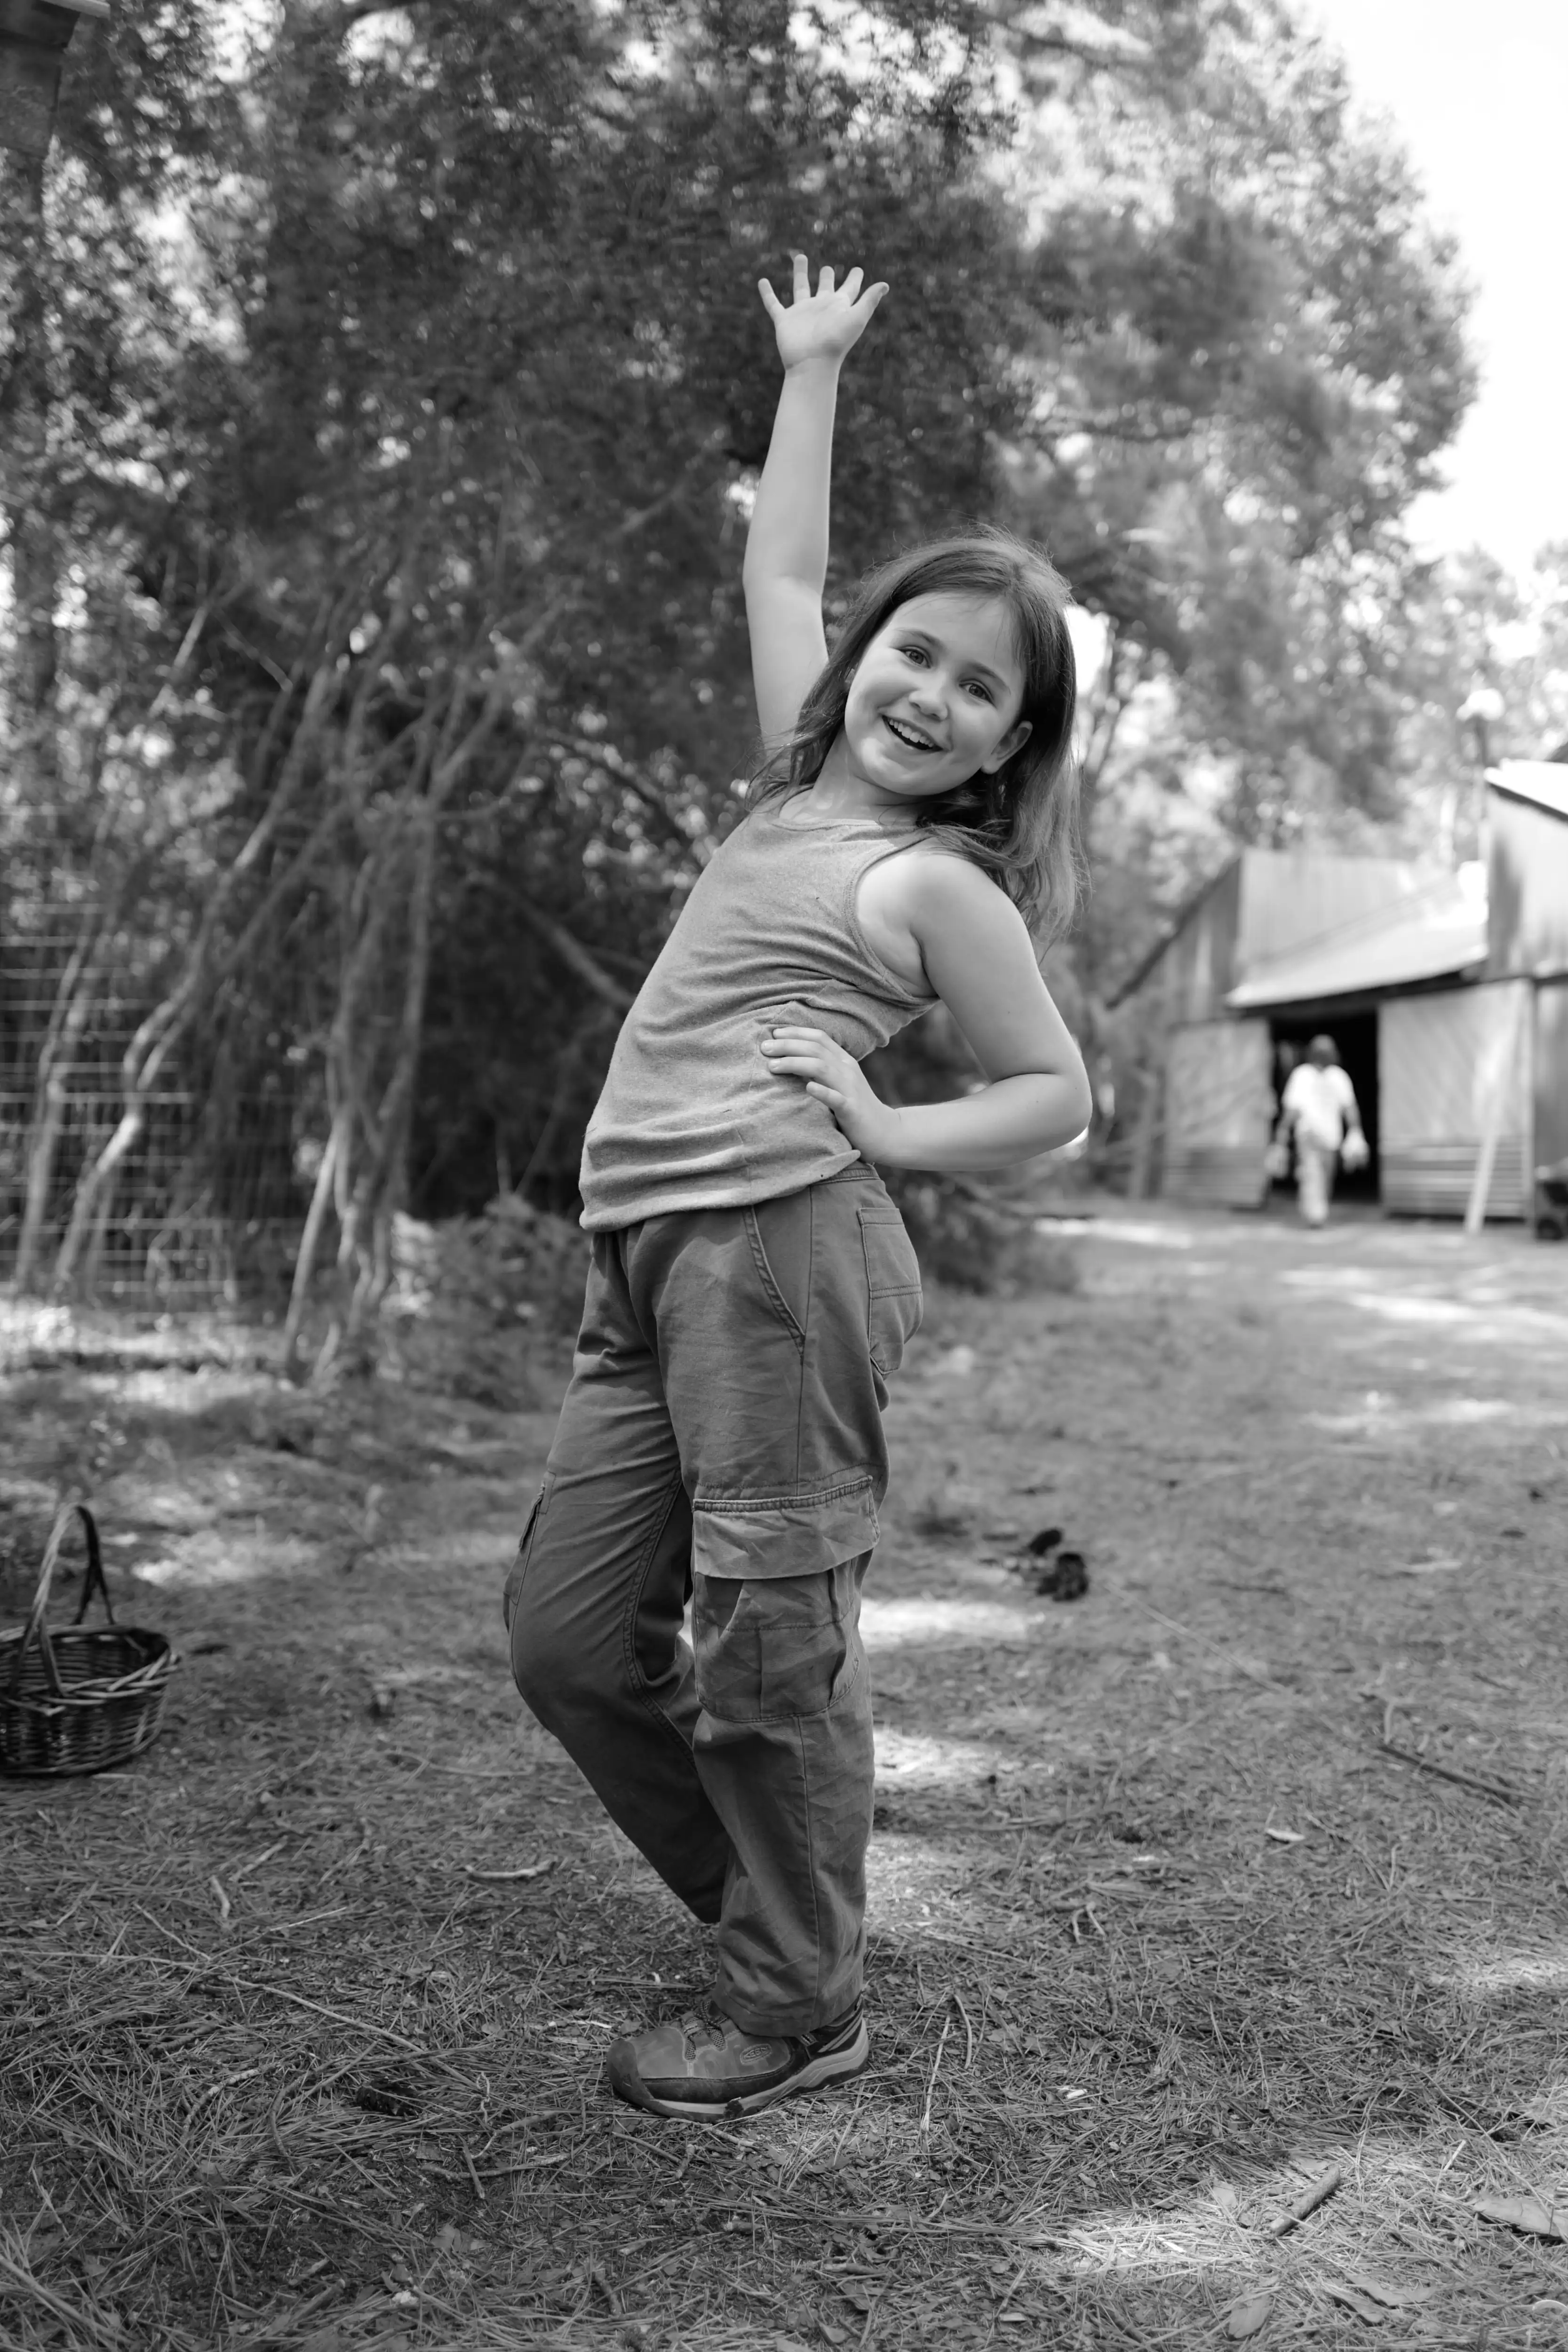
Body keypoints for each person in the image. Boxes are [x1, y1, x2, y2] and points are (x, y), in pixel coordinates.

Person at [502, 254, 1092, 2121]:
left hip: (775, 1255)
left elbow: (1050, 1092)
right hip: (643, 1255)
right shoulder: (788, 786)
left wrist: (885, 1124)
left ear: (1005, 743)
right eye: (912, 650)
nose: (926, 691)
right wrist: (812, 369)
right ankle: (782, 1913)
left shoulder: (928, 882)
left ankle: (793, 1993)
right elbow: (776, 568)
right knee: (571, 1641)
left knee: (766, 1647)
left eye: (975, 686)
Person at [1274, 1035, 1367, 1227]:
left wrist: (1356, 1132)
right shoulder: (1303, 1075)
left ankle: (1316, 1210)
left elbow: (1349, 1106)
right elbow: (1293, 1109)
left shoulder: (1338, 1076)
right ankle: (1315, 1215)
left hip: (1331, 1139)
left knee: (1324, 1176)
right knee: (1312, 1173)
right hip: (1309, 1135)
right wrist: (1282, 1134)